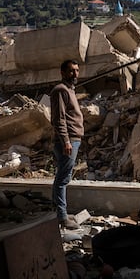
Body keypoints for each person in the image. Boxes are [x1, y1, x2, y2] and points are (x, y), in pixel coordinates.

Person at [50, 59, 84, 229]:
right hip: (68, 140)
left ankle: (58, 211)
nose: (75, 74)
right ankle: (61, 217)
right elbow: (59, 119)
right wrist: (66, 141)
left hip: (73, 139)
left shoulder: (69, 90)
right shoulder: (60, 91)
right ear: (63, 72)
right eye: (71, 71)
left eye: (77, 70)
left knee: (63, 176)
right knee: (63, 178)